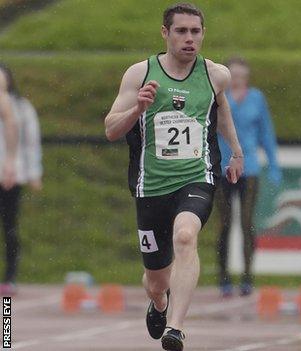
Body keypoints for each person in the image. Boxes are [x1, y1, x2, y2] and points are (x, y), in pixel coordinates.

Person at [104, 3, 243, 350]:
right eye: (181, 31)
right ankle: (160, 302)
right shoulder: (140, 74)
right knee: (155, 279)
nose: (189, 39)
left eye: (195, 32)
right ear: (165, 33)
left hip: (196, 178)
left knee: (185, 236)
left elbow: (220, 105)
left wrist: (236, 151)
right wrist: (138, 107)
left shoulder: (215, 75)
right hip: (150, 187)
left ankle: (176, 328)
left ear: (203, 34)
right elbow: (110, 129)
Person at [215, 56, 281, 298]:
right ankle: (223, 278)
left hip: (249, 168)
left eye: (242, 75)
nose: (238, 80)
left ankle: (247, 278)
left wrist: (274, 164)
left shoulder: (256, 98)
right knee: (224, 224)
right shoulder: (218, 97)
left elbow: (266, 131)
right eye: (234, 75)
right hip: (222, 167)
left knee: (247, 223)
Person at [0, 64, 41, 296]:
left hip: (10, 176)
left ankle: (10, 276)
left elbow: (29, 140)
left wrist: (32, 171)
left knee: (9, 226)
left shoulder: (19, 107)